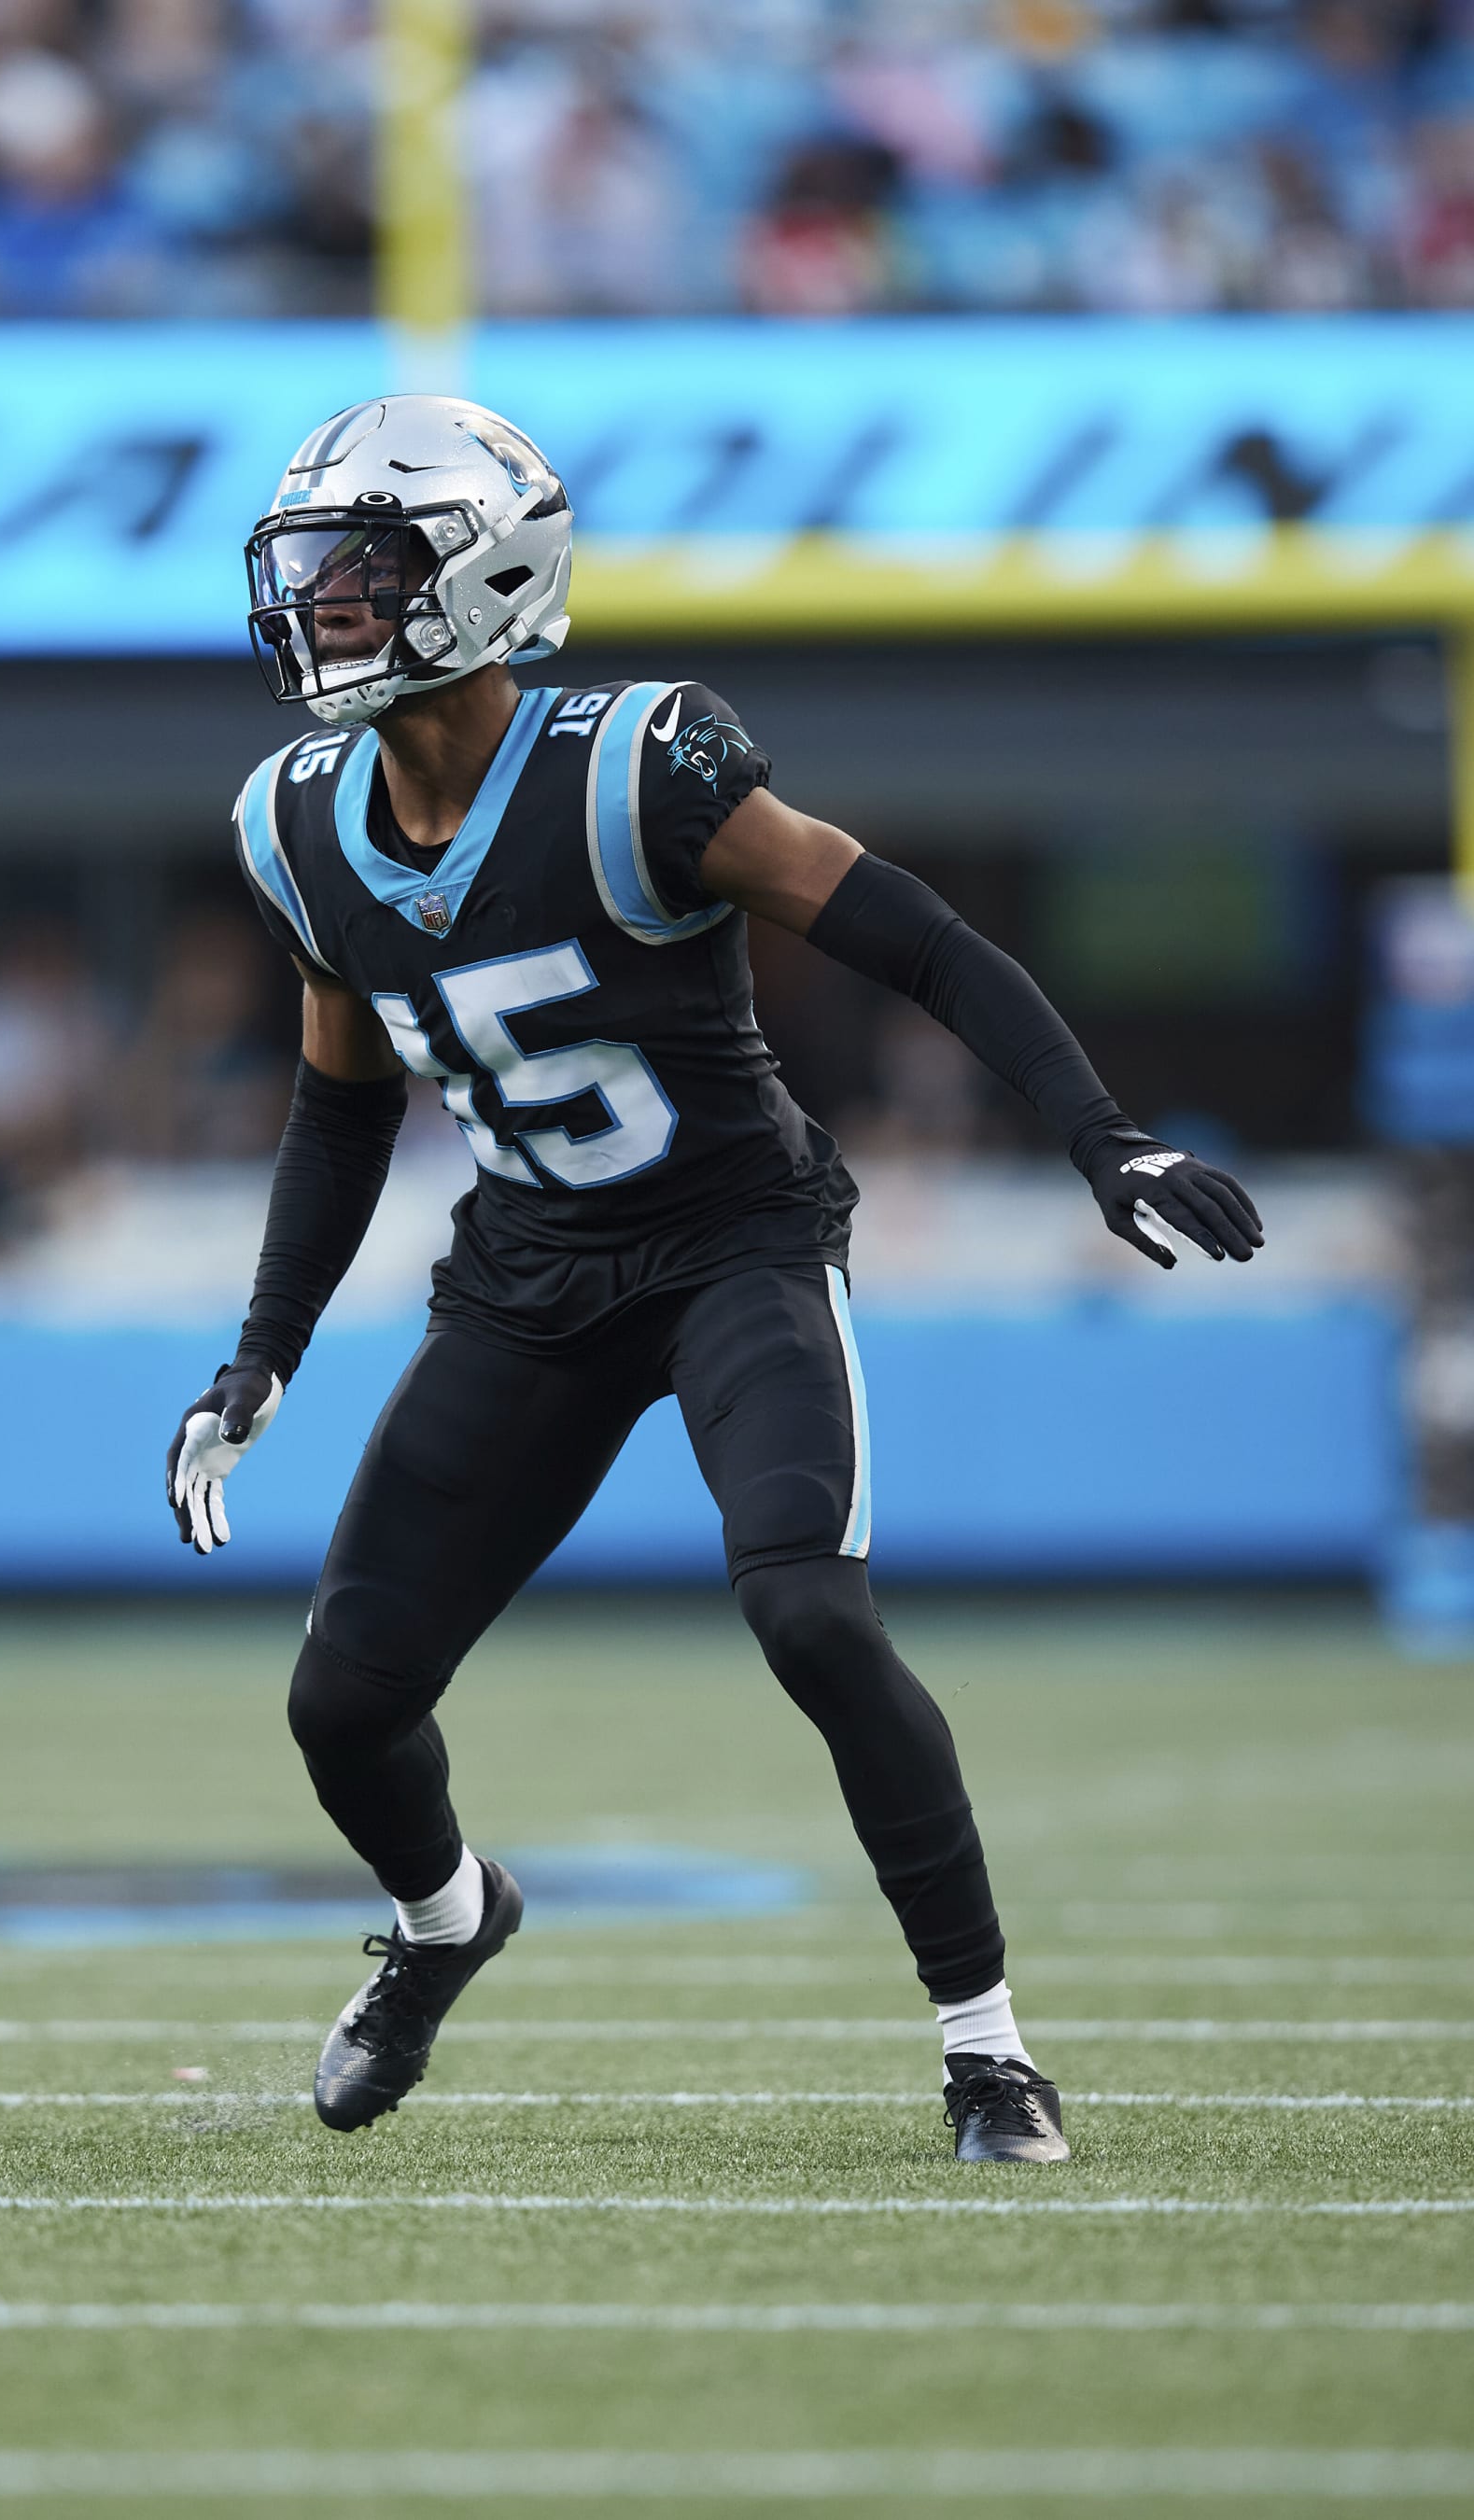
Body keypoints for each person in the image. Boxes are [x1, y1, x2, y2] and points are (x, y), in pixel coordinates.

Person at [165, 395, 1263, 2165]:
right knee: (343, 1702)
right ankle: (450, 1925)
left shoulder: (636, 763)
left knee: (811, 1612)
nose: (321, 606)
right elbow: (338, 1098)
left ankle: (988, 2052)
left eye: (361, 571)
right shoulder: (295, 820)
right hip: (526, 1275)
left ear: (483, 576)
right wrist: (260, 1352)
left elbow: (918, 934)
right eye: (309, 572)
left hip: (732, 1244)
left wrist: (1101, 1136)